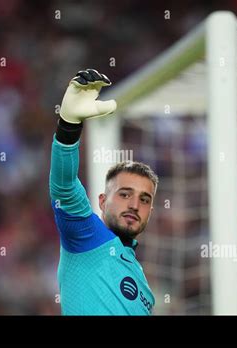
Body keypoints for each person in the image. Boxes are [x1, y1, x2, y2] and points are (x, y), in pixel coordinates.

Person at [49, 69, 158, 315]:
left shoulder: (139, 276)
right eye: (124, 194)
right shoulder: (87, 237)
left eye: (144, 199)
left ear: (150, 211)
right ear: (102, 200)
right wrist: (69, 125)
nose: (134, 205)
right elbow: (64, 188)